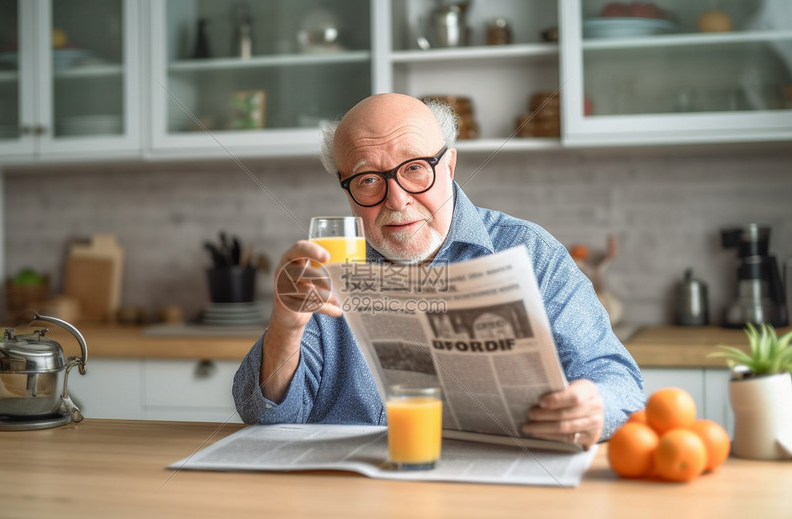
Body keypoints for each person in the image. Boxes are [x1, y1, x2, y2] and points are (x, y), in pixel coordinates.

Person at [232, 93, 644, 447]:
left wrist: (595, 407)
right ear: (345, 186)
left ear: (448, 166)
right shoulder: (328, 266)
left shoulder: (533, 253)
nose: (396, 199)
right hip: (351, 503)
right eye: (368, 179)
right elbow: (263, 415)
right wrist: (285, 325)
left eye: (414, 168)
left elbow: (620, 384)